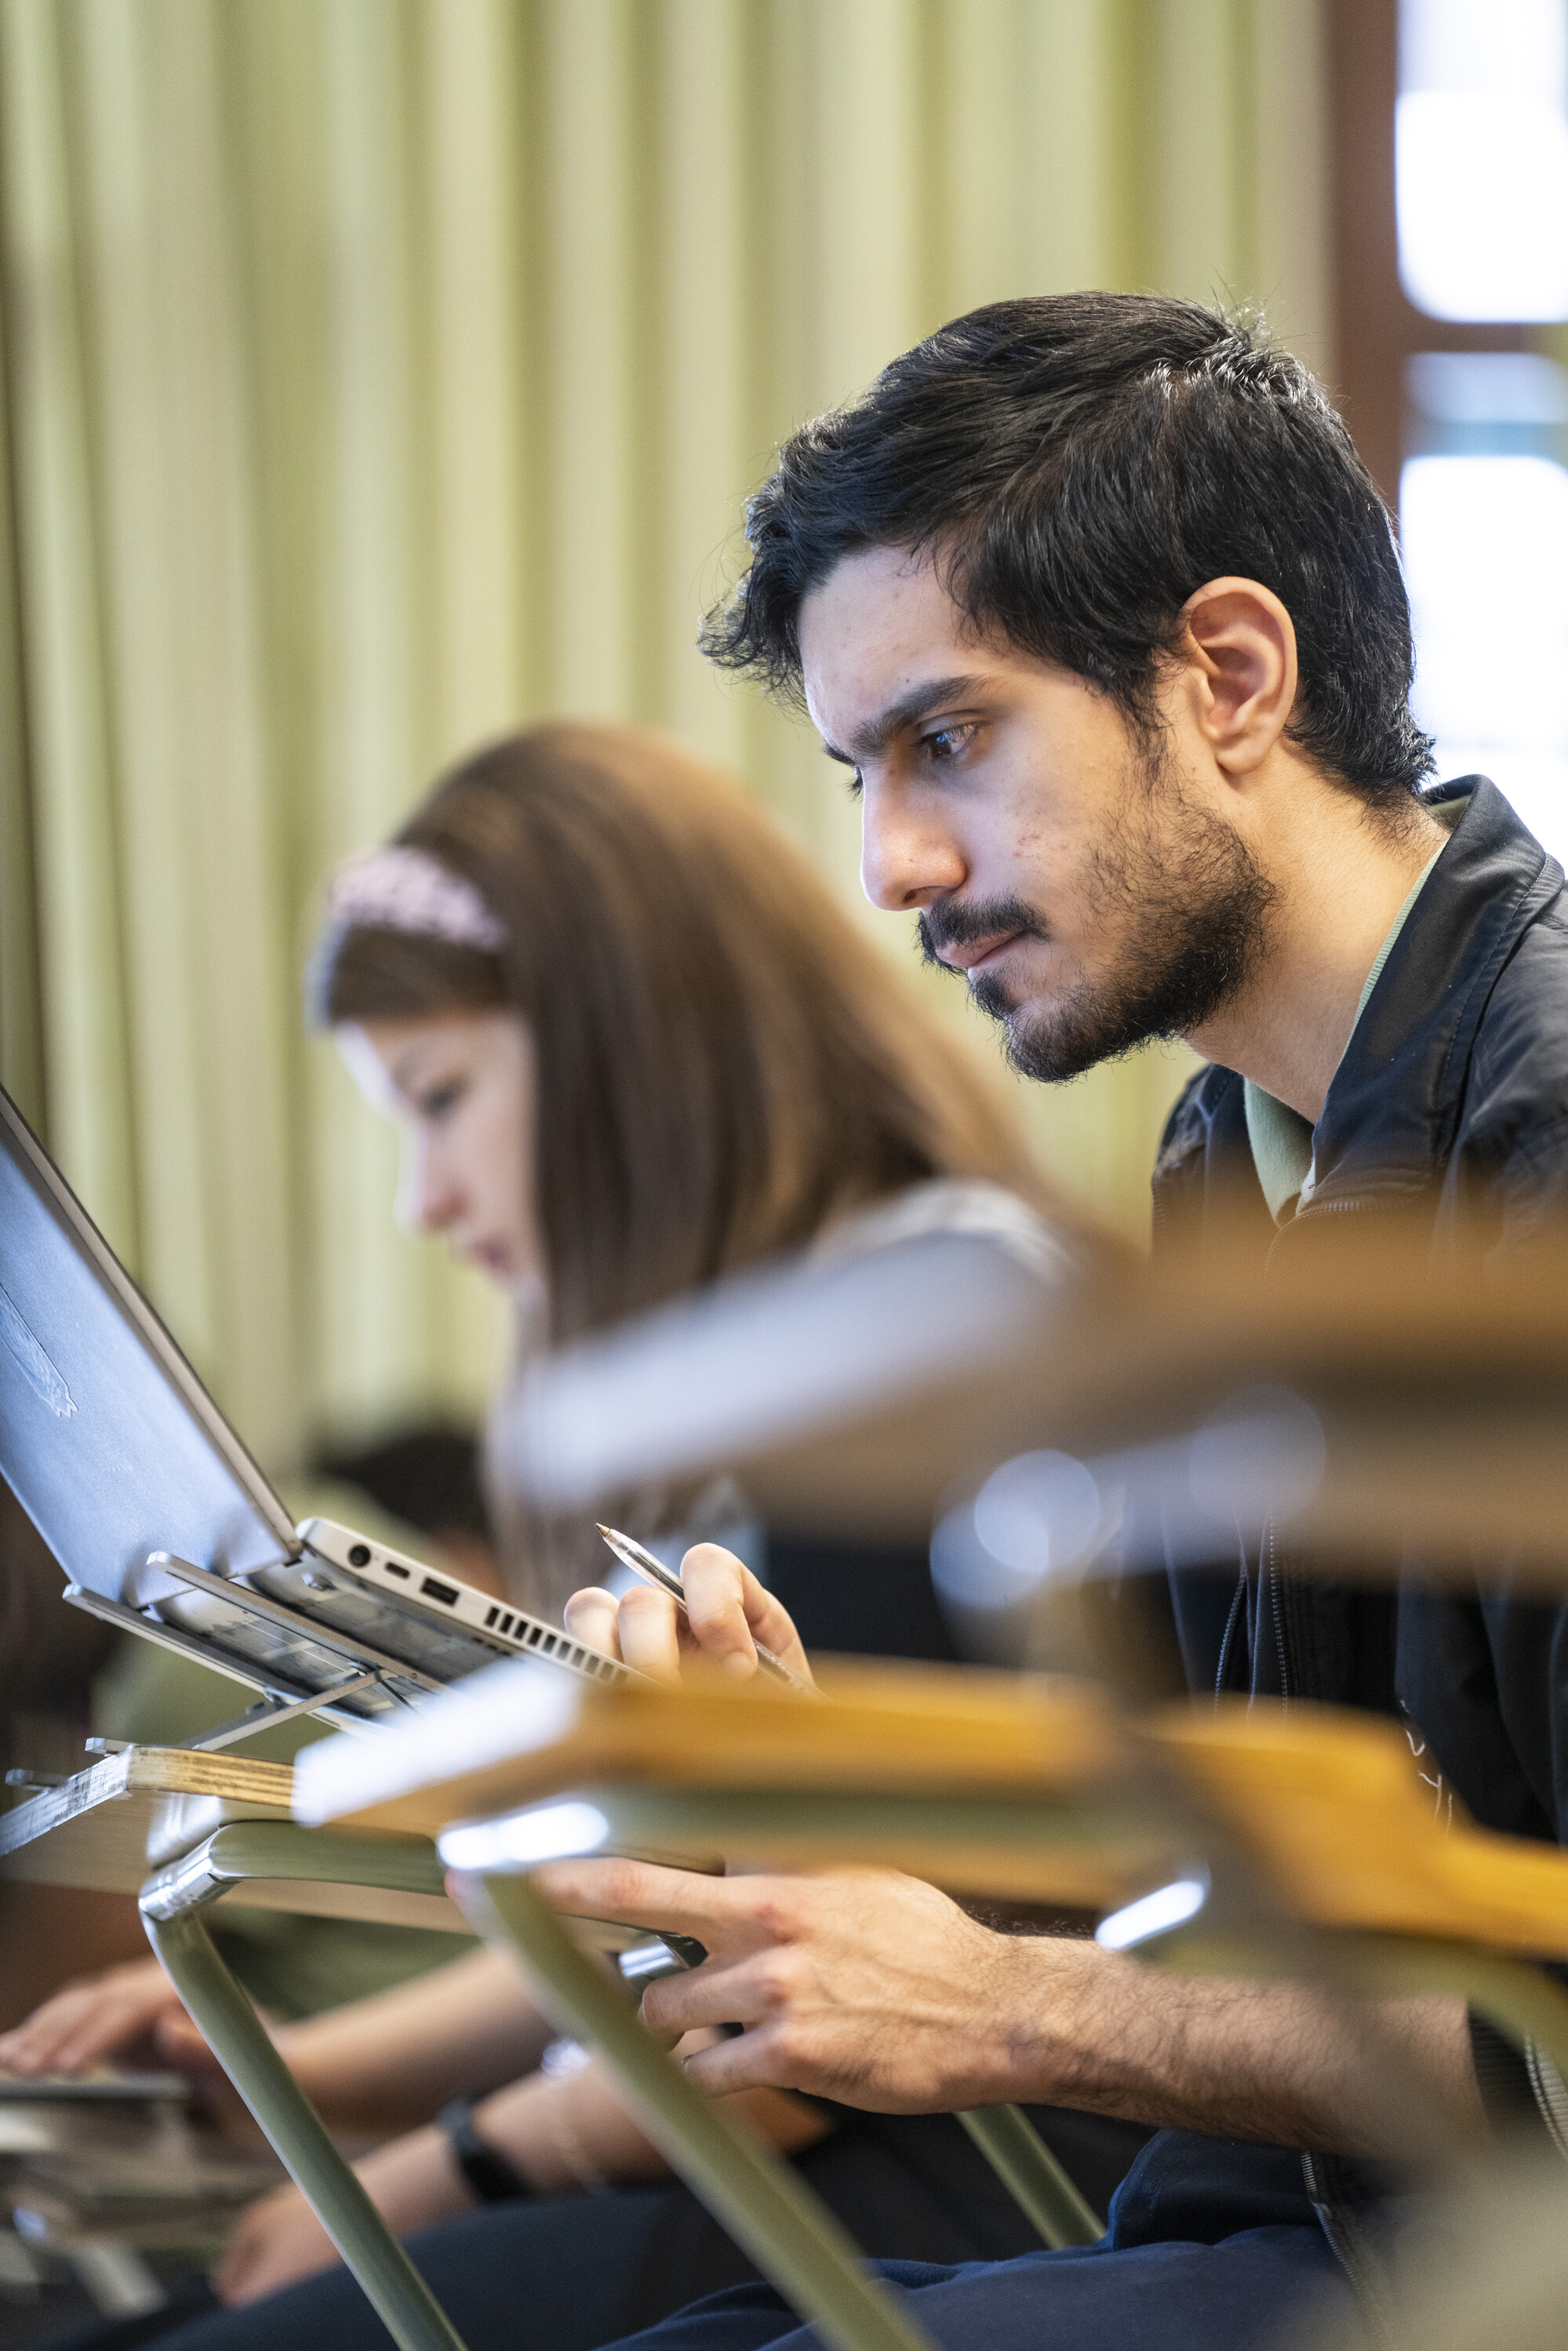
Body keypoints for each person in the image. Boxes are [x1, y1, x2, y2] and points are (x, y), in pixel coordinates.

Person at [502, 293, 1568, 2351]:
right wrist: (830, 1796)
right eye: (863, 771)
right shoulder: (1238, 1141)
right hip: (1325, 2223)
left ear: (1232, 675)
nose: (896, 859)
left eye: (953, 738)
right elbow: (1282, 1854)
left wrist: (1010, 2000)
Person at [8, 720, 1144, 2351]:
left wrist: (421, 2169)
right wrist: (319, 2076)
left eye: (444, 1097)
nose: (425, 1197)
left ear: (622, 1044)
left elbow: (825, 1968)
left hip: (949, 2173)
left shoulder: (918, 1320)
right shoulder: (777, 1348)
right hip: (764, 2129)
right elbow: (688, 1903)